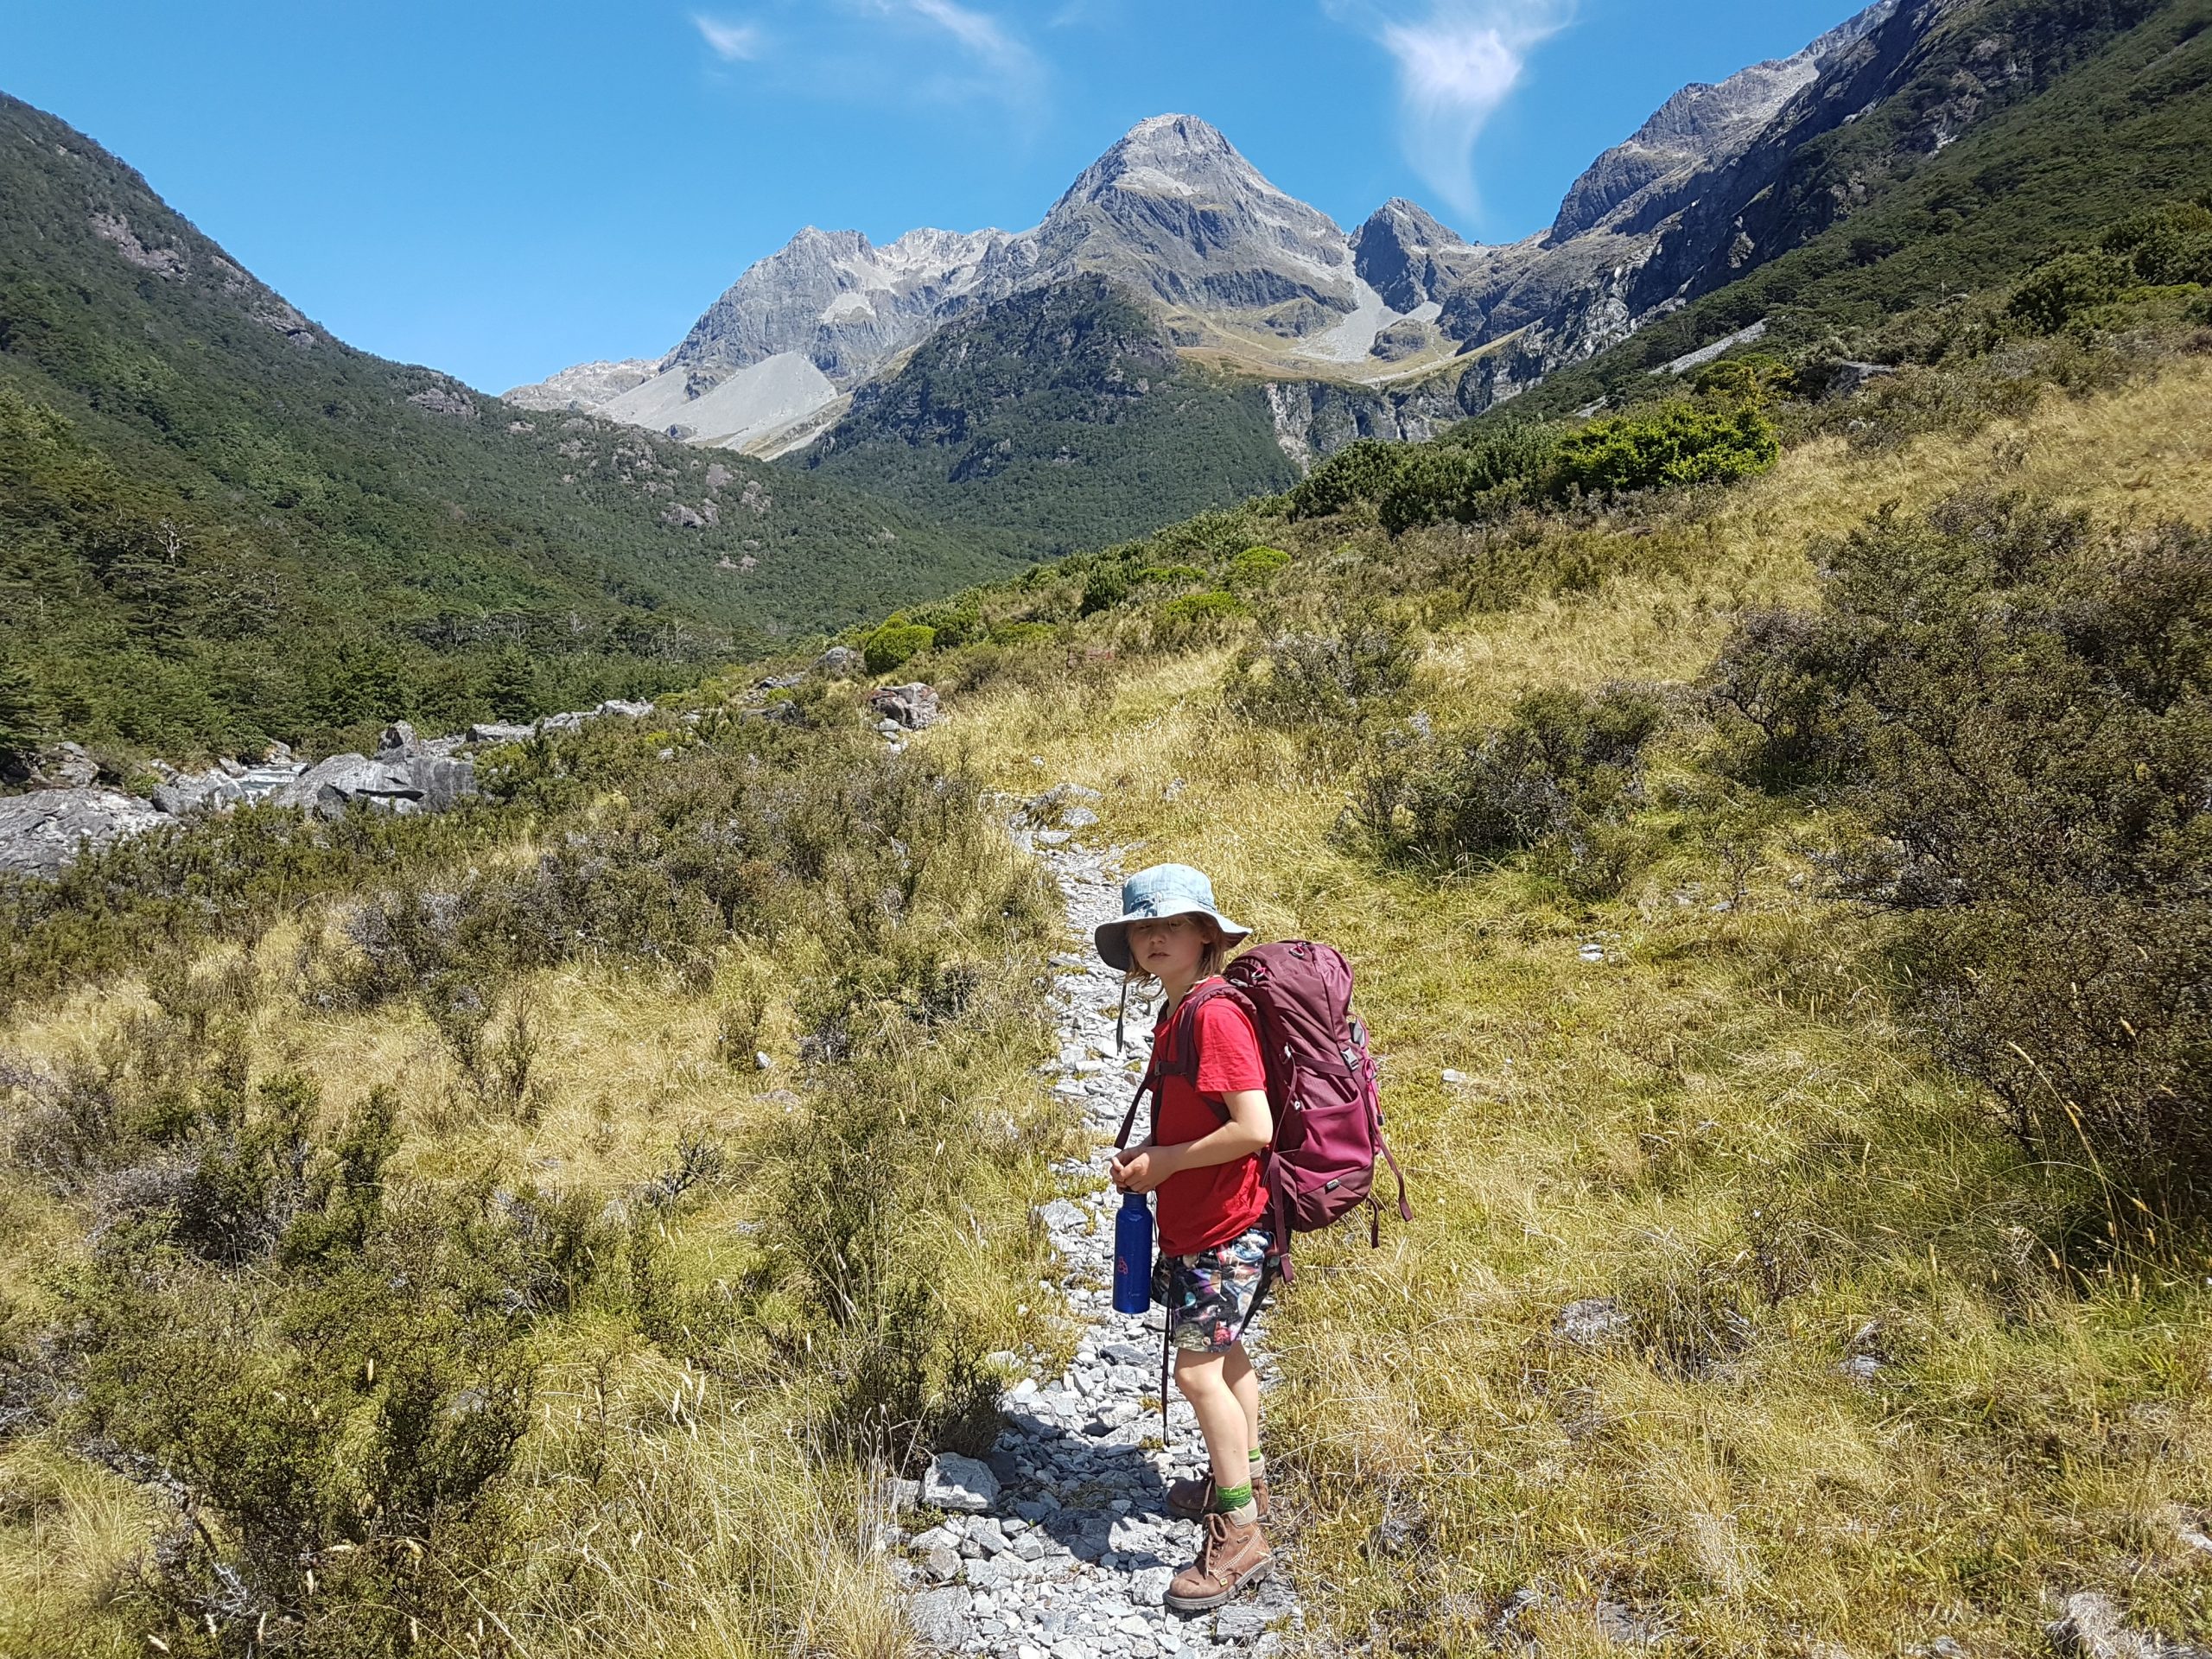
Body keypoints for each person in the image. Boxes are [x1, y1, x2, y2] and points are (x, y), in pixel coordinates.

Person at [1100, 863, 1275, 1613]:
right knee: (1229, 1360)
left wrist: (1166, 1160)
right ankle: (1248, 1478)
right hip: (1202, 1221)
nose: (1154, 937)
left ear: (1208, 934)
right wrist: (1156, 1161)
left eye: (1171, 924)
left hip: (1227, 1226)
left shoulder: (1213, 1015)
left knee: (1197, 1375)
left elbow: (1254, 1128)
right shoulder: (1180, 1010)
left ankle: (1239, 1530)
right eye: (1143, 927)